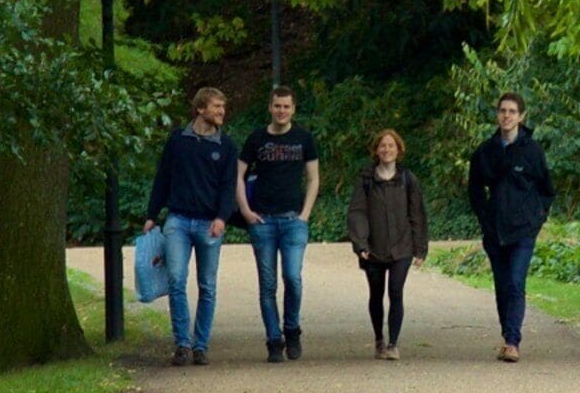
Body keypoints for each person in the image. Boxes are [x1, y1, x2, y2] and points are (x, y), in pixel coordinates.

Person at [145, 86, 243, 366]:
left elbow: (228, 187)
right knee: (176, 280)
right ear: (200, 109)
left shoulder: (226, 146)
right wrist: (152, 213)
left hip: (209, 222)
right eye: (216, 107)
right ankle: (182, 344)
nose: (221, 112)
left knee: (207, 286)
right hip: (178, 220)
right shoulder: (177, 140)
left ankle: (201, 344)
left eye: (223, 107)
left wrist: (222, 218)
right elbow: (163, 177)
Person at [464, 92, 557, 361]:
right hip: (495, 231)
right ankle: (507, 335)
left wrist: (536, 218)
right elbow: (475, 189)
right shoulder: (484, 152)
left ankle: (513, 341)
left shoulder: (532, 151)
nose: (506, 116)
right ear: (497, 115)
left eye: (512, 111)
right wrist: (485, 218)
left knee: (516, 283)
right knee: (503, 285)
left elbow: (547, 189)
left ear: (521, 117)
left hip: (523, 231)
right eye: (502, 110)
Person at [237, 88, 323, 363]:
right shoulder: (256, 138)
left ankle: (292, 329)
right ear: (270, 107)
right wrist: (246, 211)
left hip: (293, 220)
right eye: (277, 106)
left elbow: (313, 179)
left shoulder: (304, 138)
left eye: (286, 106)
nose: (281, 111)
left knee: (293, 278)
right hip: (262, 221)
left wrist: (305, 214)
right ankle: (274, 339)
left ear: (293, 109)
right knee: (267, 284)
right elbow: (238, 176)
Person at [342, 128, 428, 359]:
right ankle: (379, 338)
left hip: (402, 247)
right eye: (383, 145)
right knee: (376, 293)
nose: (387, 149)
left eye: (391, 145)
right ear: (376, 150)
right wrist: (360, 244)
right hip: (374, 249)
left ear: (398, 150)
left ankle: (393, 343)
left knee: (396, 291)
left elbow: (417, 214)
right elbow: (357, 212)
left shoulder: (408, 179)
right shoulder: (366, 180)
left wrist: (421, 248)